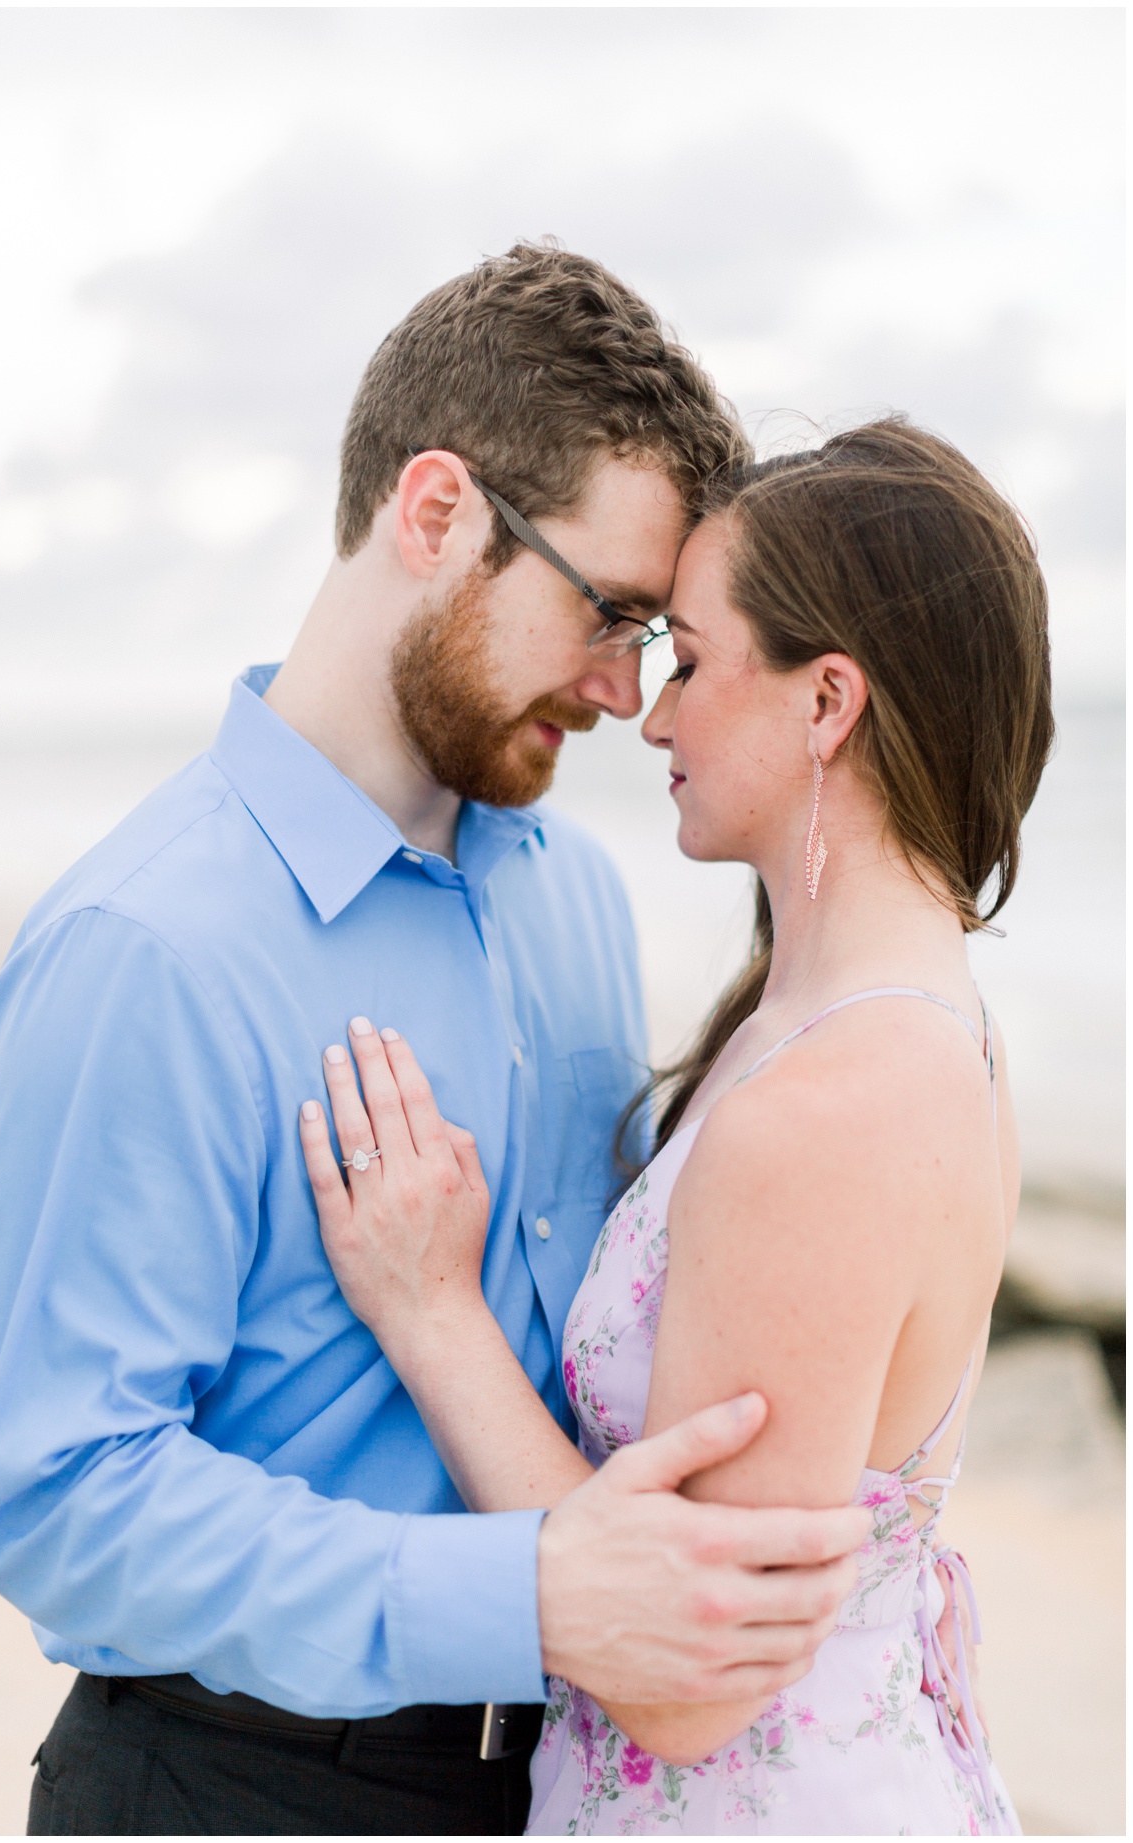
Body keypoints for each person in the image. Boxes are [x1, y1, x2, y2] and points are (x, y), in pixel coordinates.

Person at [0, 243, 872, 1835]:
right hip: (227, 1783)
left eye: (657, 638)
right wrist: (523, 1588)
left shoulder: (576, 897)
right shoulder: (145, 946)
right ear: (436, 509)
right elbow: (62, 1502)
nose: (619, 689)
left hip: (551, 1779)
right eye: (606, 612)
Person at [304, 420, 1043, 1833]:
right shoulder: (881, 1016)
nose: (647, 710)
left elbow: (686, 1676)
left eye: (692, 662)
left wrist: (429, 1306)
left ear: (827, 702)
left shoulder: (829, 1106)